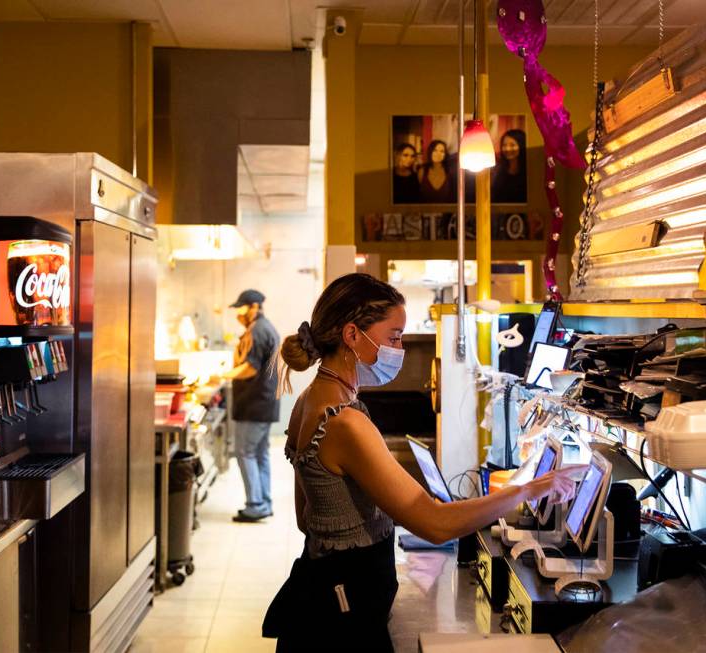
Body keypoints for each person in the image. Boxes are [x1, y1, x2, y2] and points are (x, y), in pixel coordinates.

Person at [261, 273, 581, 651]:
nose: (399, 348)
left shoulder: (310, 401)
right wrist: (528, 488)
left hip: (321, 600)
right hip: (341, 622)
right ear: (351, 335)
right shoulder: (345, 422)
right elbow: (434, 525)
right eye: (393, 336)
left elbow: (307, 519)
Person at [223, 289, 281, 523]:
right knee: (259, 453)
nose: (239, 313)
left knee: (246, 453)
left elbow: (250, 368)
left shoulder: (258, 330)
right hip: (263, 402)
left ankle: (255, 505)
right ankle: (263, 501)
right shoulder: (263, 328)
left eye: (242, 308)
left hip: (254, 403)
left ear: (254, 307)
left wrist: (221, 376)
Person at [491, 129, 527, 203]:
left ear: (522, 145)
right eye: (504, 145)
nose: (507, 149)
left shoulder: (529, 170)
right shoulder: (498, 170)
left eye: (512, 145)